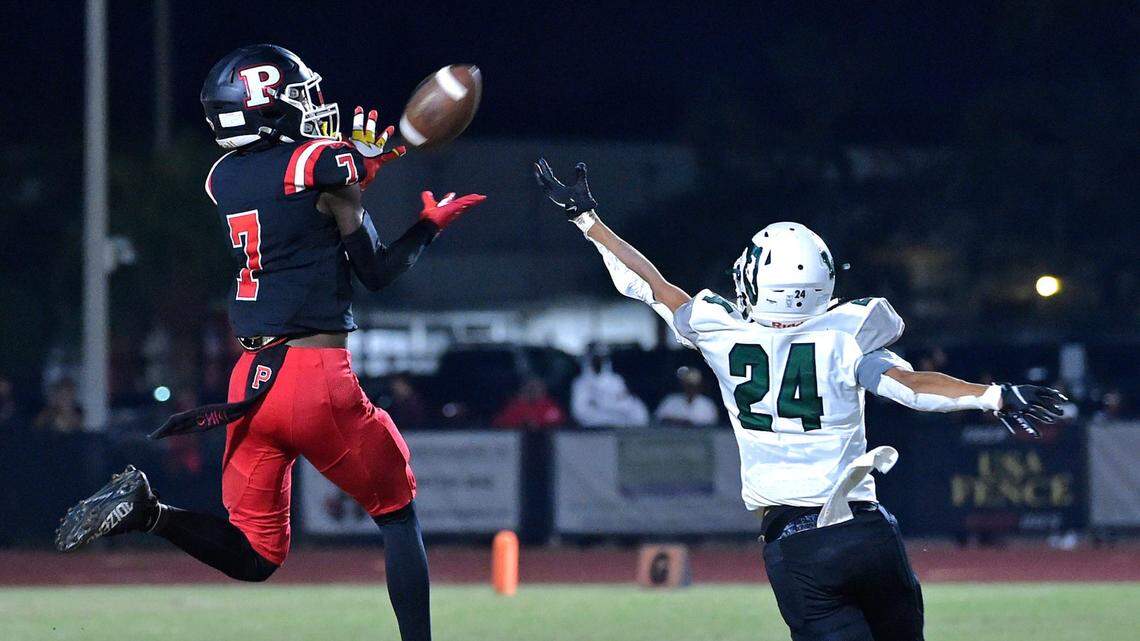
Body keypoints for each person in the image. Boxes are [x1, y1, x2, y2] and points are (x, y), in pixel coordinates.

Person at [55, 45, 485, 641]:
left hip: (252, 380)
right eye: (297, 94)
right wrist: (408, 185)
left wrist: (374, 174)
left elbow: (322, 196)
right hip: (315, 378)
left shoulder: (223, 178)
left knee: (255, 556)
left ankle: (148, 512)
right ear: (267, 106)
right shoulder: (319, 161)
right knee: (397, 513)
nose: (311, 106)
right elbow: (374, 263)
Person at [535, 158, 1065, 641]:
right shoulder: (844, 335)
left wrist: (589, 221)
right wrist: (995, 395)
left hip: (798, 542)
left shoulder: (720, 331)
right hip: (869, 529)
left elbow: (649, 285)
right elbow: (915, 386)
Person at [570, 346, 650, 428]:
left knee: (639, 413)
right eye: (596, 358)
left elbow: (625, 402)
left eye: (602, 358)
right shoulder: (581, 383)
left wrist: (605, 404)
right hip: (596, 420)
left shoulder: (616, 380)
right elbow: (580, 411)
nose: (599, 362)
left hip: (619, 416)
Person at [493, 377, 567, 429]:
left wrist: (538, 424)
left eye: (537, 387)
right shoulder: (515, 405)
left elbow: (559, 423)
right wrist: (522, 423)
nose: (533, 390)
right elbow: (499, 423)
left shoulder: (550, 406)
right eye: (530, 387)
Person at [655, 366, 720, 426]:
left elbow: (711, 427)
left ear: (700, 386)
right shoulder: (671, 401)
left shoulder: (707, 405)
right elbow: (659, 420)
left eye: (693, 385)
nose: (690, 388)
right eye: (688, 385)